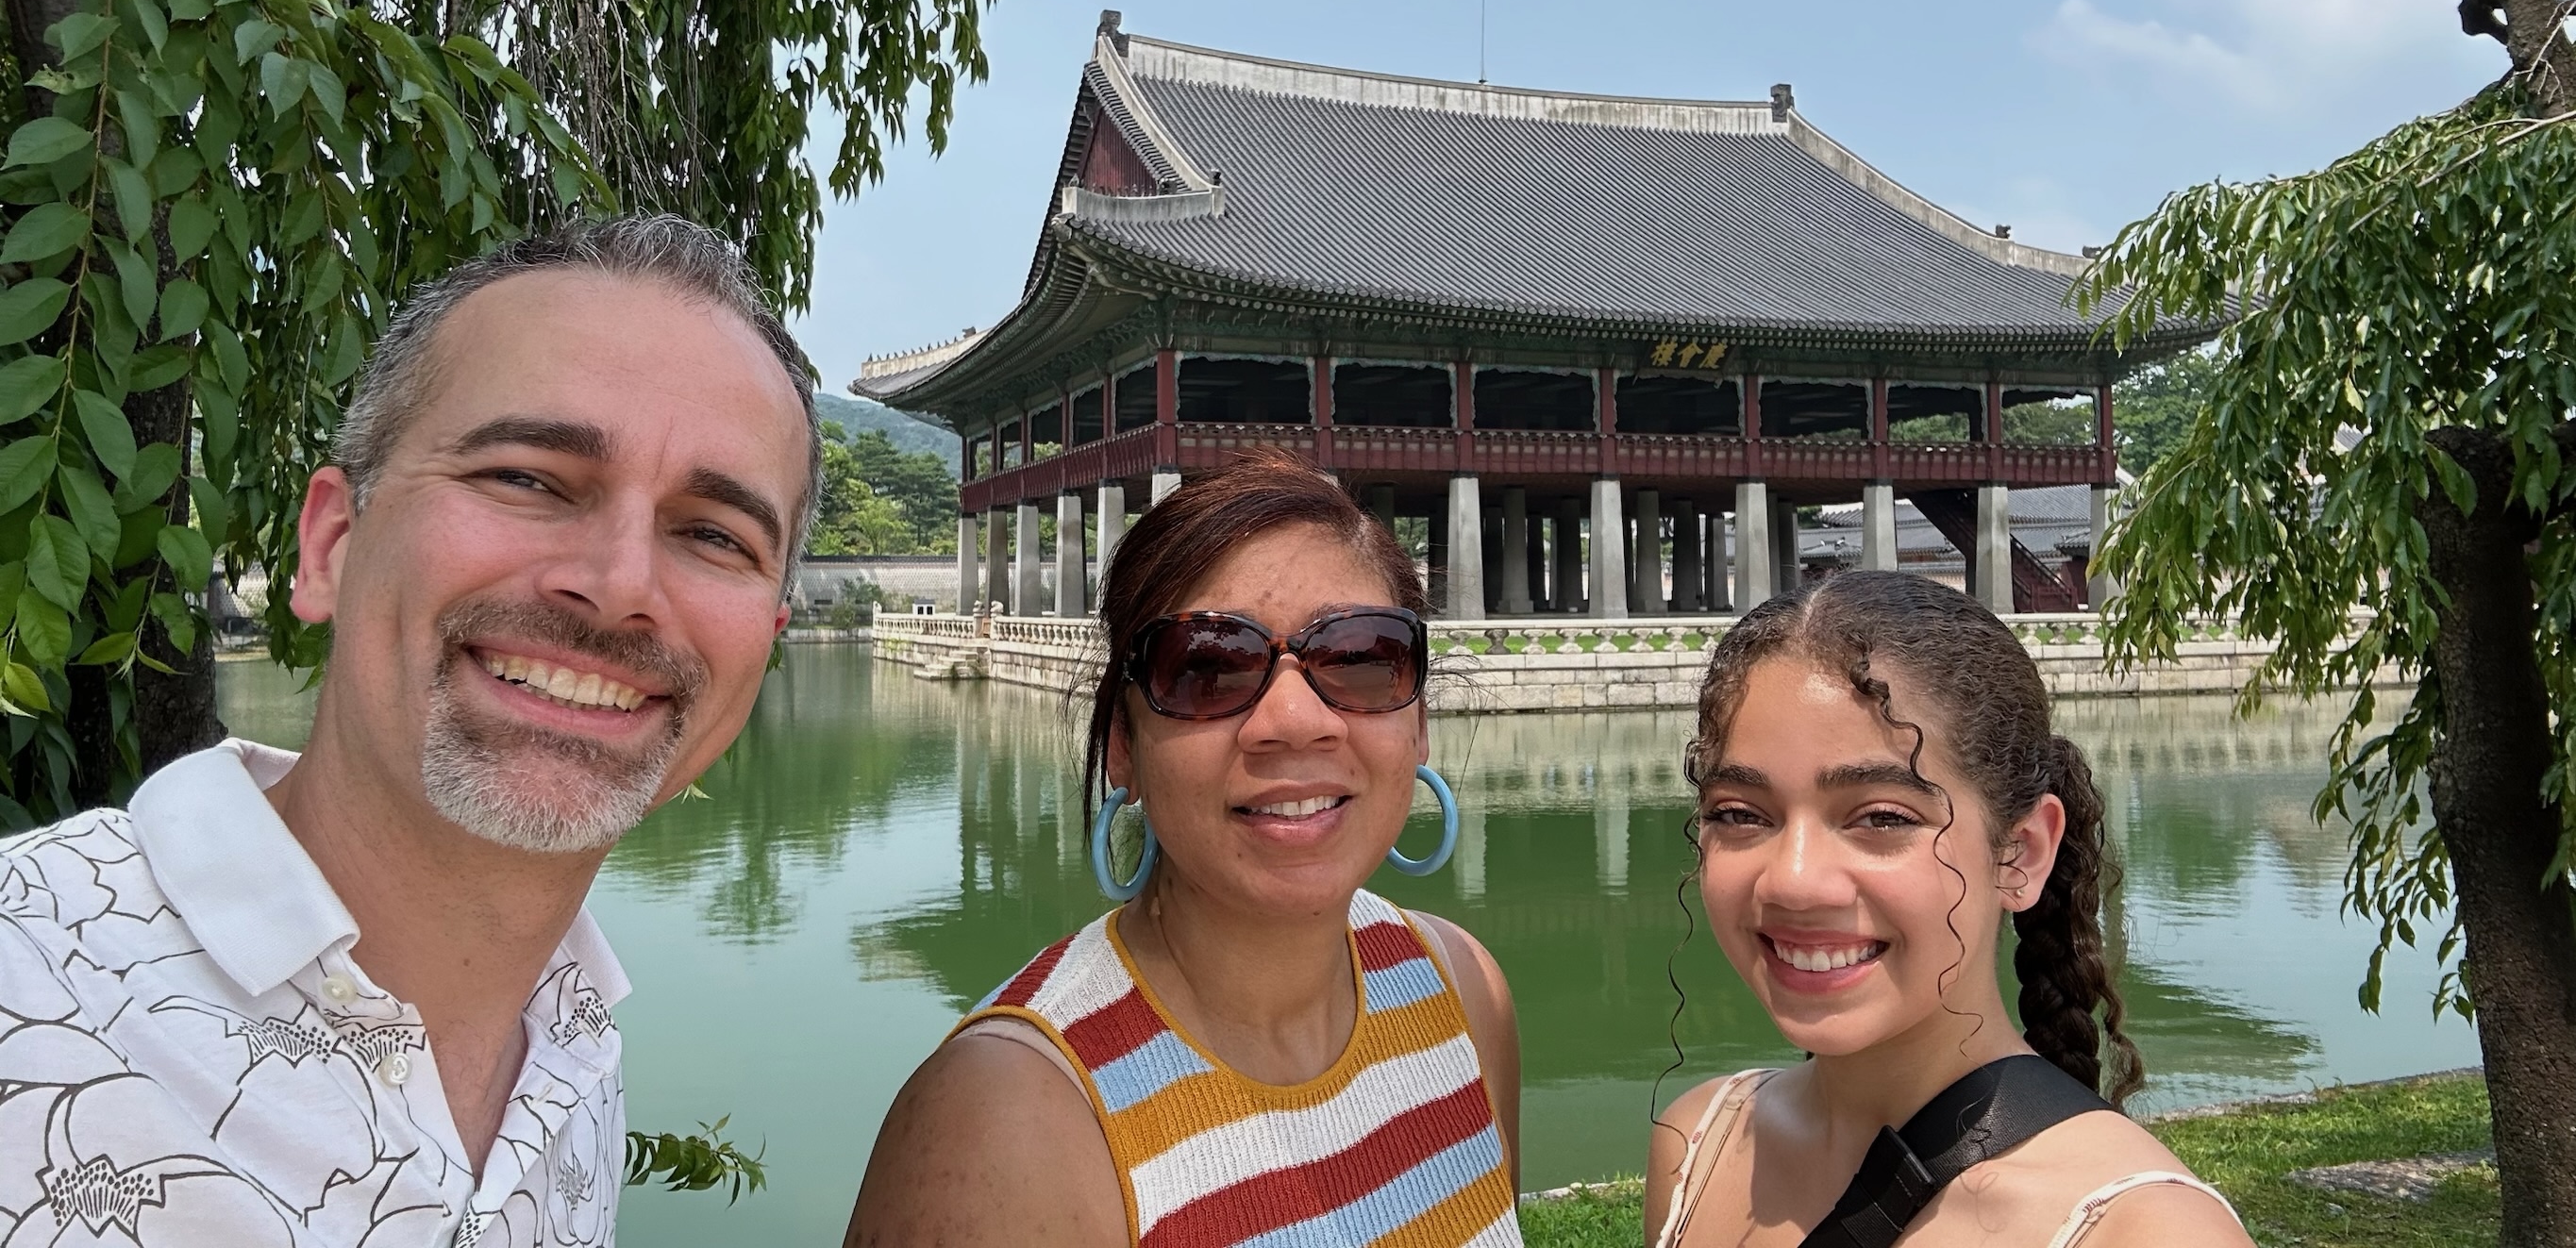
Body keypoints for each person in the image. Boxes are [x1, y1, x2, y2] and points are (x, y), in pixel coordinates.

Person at [0, 217, 817, 1245]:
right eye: (526, 478)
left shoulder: (574, 1050)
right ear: (332, 546)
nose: (619, 589)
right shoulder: (27, 989)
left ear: (764, 641)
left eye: (713, 535)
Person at [848, 452, 1523, 1248]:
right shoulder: (1008, 1118)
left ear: (1417, 724)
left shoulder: (1463, 991)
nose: (1297, 720)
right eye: (1208, 668)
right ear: (1122, 744)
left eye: (1362, 658)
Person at [1645, 571, 2254, 1248]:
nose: (1794, 882)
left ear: (2019, 854)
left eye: (1880, 816)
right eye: (1740, 813)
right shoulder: (1696, 1143)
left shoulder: (2143, 1231)